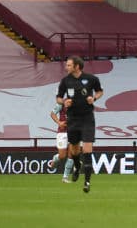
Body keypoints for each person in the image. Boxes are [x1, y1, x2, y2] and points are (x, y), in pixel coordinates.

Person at [57, 56, 104, 194]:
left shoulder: (91, 79)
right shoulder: (65, 81)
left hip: (87, 118)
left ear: (77, 66)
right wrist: (64, 102)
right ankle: (77, 166)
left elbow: (100, 91)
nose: (67, 67)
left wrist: (93, 98)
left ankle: (87, 182)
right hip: (73, 119)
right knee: (75, 150)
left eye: (69, 65)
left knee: (88, 149)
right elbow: (58, 98)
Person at [47, 103, 74, 182]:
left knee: (71, 154)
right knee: (62, 156)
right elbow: (52, 113)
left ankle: (65, 178)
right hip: (62, 132)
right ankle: (55, 158)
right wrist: (59, 122)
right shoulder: (62, 103)